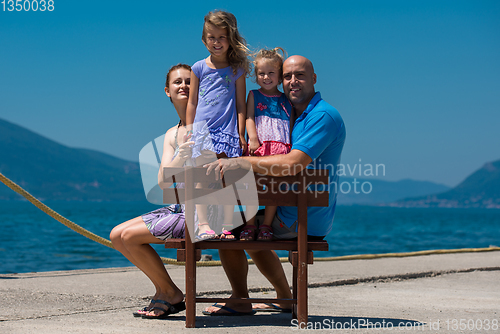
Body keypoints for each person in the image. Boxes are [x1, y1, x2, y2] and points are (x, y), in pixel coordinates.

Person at [203, 55, 346, 315]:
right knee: (244, 220)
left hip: (301, 218)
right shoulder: (298, 115)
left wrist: (241, 162)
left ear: (313, 79)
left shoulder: (322, 116)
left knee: (230, 226)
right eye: (288, 75)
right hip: (294, 209)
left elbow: (291, 164)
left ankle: (240, 298)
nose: (293, 81)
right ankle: (281, 297)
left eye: (300, 75)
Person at [110, 64, 193, 319]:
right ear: (167, 91)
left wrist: (176, 164)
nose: (183, 86)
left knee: (130, 237)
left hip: (201, 212)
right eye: (177, 82)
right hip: (178, 207)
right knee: (116, 235)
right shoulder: (173, 133)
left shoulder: (207, 124)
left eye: (189, 82)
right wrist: (181, 156)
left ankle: (169, 293)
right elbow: (163, 181)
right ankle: (164, 290)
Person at [185, 10, 250, 240]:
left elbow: (241, 104)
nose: (216, 42)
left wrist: (241, 133)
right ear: (204, 40)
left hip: (227, 131)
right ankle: (203, 224)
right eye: (211, 37)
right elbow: (192, 102)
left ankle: (226, 224)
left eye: (221, 37)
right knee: (201, 180)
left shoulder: (236, 70)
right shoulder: (198, 68)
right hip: (202, 132)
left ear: (230, 39)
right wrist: (189, 130)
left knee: (227, 181)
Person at [240, 47, 292, 241]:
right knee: (252, 187)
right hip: (260, 147)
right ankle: (250, 224)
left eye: (271, 73)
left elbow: (291, 123)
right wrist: (253, 137)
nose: (266, 77)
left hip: (280, 149)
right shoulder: (254, 95)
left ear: (279, 76)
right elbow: (249, 117)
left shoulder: (286, 99)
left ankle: (267, 226)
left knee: (274, 189)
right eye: (261, 73)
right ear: (256, 75)